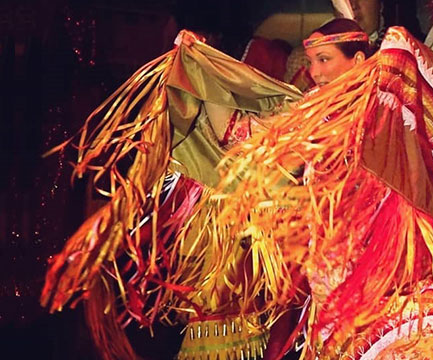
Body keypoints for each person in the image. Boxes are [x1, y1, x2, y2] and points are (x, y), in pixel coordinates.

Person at [203, 19, 433, 359]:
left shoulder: (386, 108)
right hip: (333, 270)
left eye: (325, 59)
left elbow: (404, 52)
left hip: (389, 269)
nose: (314, 71)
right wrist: (201, 69)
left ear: (359, 61)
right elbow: (245, 137)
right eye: (312, 61)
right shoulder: (314, 110)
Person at [40, 29, 302, 360]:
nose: (244, 75)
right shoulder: (199, 172)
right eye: (242, 68)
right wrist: (101, 247)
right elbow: (147, 206)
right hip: (209, 325)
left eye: (251, 72)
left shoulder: (280, 153)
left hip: (247, 324)